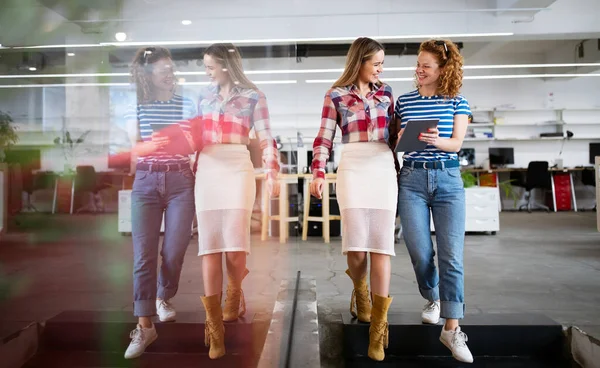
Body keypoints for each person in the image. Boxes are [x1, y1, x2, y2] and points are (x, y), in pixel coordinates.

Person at [310, 37, 397, 362]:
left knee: (381, 245)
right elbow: (323, 137)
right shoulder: (335, 95)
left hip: (382, 166)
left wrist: (402, 136)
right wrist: (318, 172)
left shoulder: (387, 92)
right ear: (359, 62)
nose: (380, 69)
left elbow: (392, 133)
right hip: (353, 167)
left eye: (382, 64)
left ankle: (378, 324)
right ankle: (359, 290)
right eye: (376, 62)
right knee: (357, 248)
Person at [193, 43, 280, 360]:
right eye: (205, 66)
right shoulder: (201, 97)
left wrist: (270, 171)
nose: (207, 71)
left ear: (226, 66)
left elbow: (267, 136)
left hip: (238, 168)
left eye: (210, 66)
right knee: (210, 246)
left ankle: (235, 288)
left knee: (234, 247)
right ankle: (214, 325)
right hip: (208, 169)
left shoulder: (253, 96)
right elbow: (192, 136)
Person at [394, 39, 473, 363]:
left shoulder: (457, 102)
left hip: (448, 181)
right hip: (411, 179)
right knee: (419, 250)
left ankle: (452, 328)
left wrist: (433, 139)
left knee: (451, 256)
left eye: (426, 65)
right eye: (418, 64)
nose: (419, 69)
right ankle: (432, 297)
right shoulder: (404, 102)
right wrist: (399, 138)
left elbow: (455, 144)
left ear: (443, 69)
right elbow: (395, 143)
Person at [124, 46, 197, 359]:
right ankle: (144, 326)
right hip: (146, 182)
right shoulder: (136, 103)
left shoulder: (186, 102)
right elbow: (135, 147)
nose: (169, 73)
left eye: (171, 68)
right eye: (163, 69)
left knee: (174, 249)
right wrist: (153, 143)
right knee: (143, 256)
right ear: (148, 74)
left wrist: (186, 141)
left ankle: (163, 296)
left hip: (181, 180)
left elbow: (195, 143)